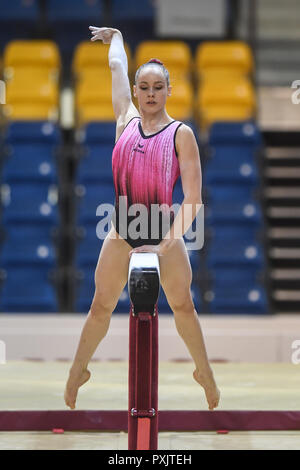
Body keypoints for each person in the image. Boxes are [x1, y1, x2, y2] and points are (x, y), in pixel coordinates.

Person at [64, 26, 220, 411]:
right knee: (100, 305)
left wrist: (167, 243)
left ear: (169, 91)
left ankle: (204, 373)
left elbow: (194, 197)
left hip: (163, 233)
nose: (151, 94)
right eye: (144, 87)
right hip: (122, 232)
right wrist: (116, 36)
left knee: (183, 306)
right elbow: (118, 66)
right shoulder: (124, 121)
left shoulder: (181, 134)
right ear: (136, 92)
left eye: (158, 87)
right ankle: (77, 372)